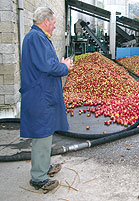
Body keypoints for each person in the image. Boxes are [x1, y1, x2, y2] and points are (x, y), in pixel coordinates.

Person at [19, 7, 73, 192]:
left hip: (43, 93)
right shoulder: (36, 38)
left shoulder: (39, 37)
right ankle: (38, 178)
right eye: (54, 22)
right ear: (46, 21)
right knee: (42, 135)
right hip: (39, 95)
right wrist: (64, 66)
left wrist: (59, 65)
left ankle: (43, 167)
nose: (55, 25)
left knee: (46, 133)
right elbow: (48, 66)